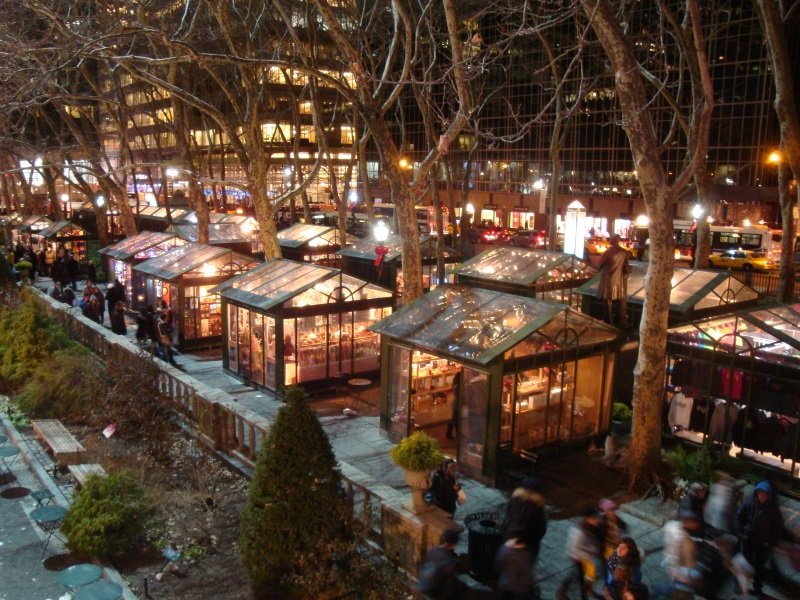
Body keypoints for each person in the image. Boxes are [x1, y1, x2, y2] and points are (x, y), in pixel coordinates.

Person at [735, 480, 790, 597]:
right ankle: (740, 585)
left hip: (762, 544)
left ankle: (757, 589)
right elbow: (739, 517)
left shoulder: (772, 510)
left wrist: (769, 542)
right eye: (760, 494)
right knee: (744, 564)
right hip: (747, 540)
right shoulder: (749, 503)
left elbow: (778, 529)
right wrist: (741, 532)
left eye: (764, 494)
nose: (762, 497)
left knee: (759, 568)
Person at [558, 506, 604, 600]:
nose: (597, 520)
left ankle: (588, 591)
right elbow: (574, 548)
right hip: (579, 557)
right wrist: (592, 552)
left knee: (587, 575)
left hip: (587, 556)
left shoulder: (591, 526)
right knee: (581, 577)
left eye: (597, 517)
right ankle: (564, 592)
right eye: (594, 518)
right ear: (587, 519)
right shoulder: (579, 532)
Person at [502, 475, 548, 566]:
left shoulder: (514, 500)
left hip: (510, 538)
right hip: (527, 545)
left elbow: (507, 517)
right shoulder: (537, 507)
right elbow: (541, 528)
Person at [417, 529, 466, 600]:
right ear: (452, 544)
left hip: (426, 589)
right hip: (437, 594)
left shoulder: (432, 551)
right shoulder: (449, 563)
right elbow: (449, 589)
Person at [597, 234, 630, 327]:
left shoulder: (608, 252)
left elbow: (600, 265)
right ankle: (620, 321)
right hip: (619, 281)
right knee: (618, 301)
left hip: (608, 280)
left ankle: (608, 322)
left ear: (613, 240)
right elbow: (626, 268)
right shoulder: (624, 252)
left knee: (607, 302)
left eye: (610, 239)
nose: (609, 240)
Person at [495, 529, 537, 600]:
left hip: (505, 582)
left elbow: (498, 565)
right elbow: (526, 572)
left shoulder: (504, 549)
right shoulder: (525, 554)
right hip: (520, 587)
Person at [445, 370, 461, 440]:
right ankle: (449, 434)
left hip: (457, 404)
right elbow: (458, 395)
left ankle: (455, 435)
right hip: (457, 405)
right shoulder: (457, 386)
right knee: (455, 420)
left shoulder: (456, 385)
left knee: (456, 420)